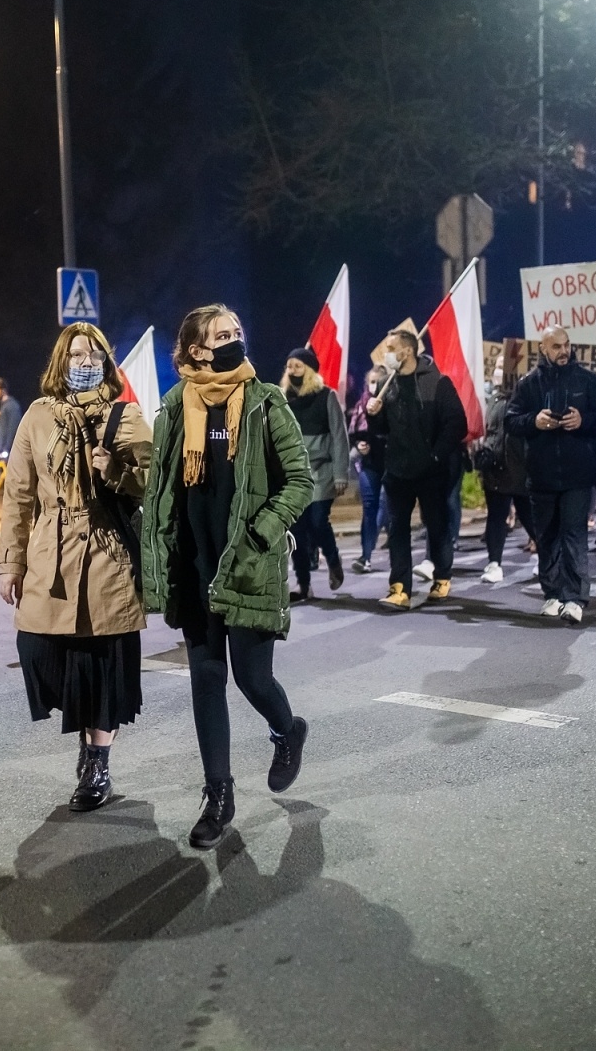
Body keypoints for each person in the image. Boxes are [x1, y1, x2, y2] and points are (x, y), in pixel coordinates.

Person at [141, 304, 313, 850]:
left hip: (248, 564)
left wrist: (264, 529)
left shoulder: (265, 401)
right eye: (222, 334)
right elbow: (163, 489)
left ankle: (288, 731)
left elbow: (300, 480)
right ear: (195, 350)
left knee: (252, 679)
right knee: (206, 679)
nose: (235, 339)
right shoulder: (175, 407)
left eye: (239, 331)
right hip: (195, 567)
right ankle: (218, 795)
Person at [0, 323, 152, 812]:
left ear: (107, 363)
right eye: (76, 354)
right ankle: (86, 743)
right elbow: (18, 495)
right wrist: (11, 564)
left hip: (108, 553)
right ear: (59, 362)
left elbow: (157, 481)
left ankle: (97, 763)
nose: (85, 363)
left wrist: (118, 472)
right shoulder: (37, 417)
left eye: (94, 355)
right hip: (51, 552)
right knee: (39, 649)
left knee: (101, 664)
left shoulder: (125, 415)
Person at [506, 325, 596, 623]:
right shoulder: (529, 384)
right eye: (556, 346)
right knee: (547, 536)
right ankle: (552, 594)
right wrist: (533, 421)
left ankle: (575, 597)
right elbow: (511, 422)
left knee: (574, 534)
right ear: (544, 349)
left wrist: (584, 420)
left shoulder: (587, 380)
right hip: (541, 475)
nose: (564, 351)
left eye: (566, 345)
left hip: (578, 474)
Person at [369, 327, 466, 610]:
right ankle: (399, 588)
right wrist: (373, 416)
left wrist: (436, 456)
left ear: (407, 351)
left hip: (431, 472)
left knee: (436, 527)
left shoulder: (437, 382)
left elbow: (456, 424)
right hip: (397, 471)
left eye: (390, 347)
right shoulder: (386, 384)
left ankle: (442, 576)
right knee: (396, 528)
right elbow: (382, 430)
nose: (386, 353)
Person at [282, 346, 349, 600]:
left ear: (309, 369)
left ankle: (333, 559)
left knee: (318, 521)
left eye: (298, 366)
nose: (293, 371)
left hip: (322, 471)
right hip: (294, 473)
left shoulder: (326, 396)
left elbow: (339, 436)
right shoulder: (283, 398)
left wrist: (340, 473)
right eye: (289, 366)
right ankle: (303, 585)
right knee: (297, 531)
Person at [472, 352, 534, 583]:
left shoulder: (525, 399)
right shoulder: (493, 399)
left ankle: (545, 558)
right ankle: (494, 563)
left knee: (530, 518)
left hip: (519, 471)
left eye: (502, 367)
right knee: (496, 519)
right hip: (496, 470)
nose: (498, 371)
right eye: (497, 366)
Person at [346, 367, 390, 574]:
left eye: (378, 381)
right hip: (369, 464)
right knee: (369, 507)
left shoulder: (392, 403)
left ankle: (372, 546)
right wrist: (360, 444)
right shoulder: (361, 405)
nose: (374, 386)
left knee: (384, 504)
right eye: (371, 381)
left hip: (390, 463)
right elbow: (354, 431)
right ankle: (366, 556)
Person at [0, 377, 22, 458]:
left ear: (3, 391)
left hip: (6, 451)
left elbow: (13, 428)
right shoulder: (3, 407)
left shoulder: (12, 406)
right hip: (0, 449)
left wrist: (6, 448)